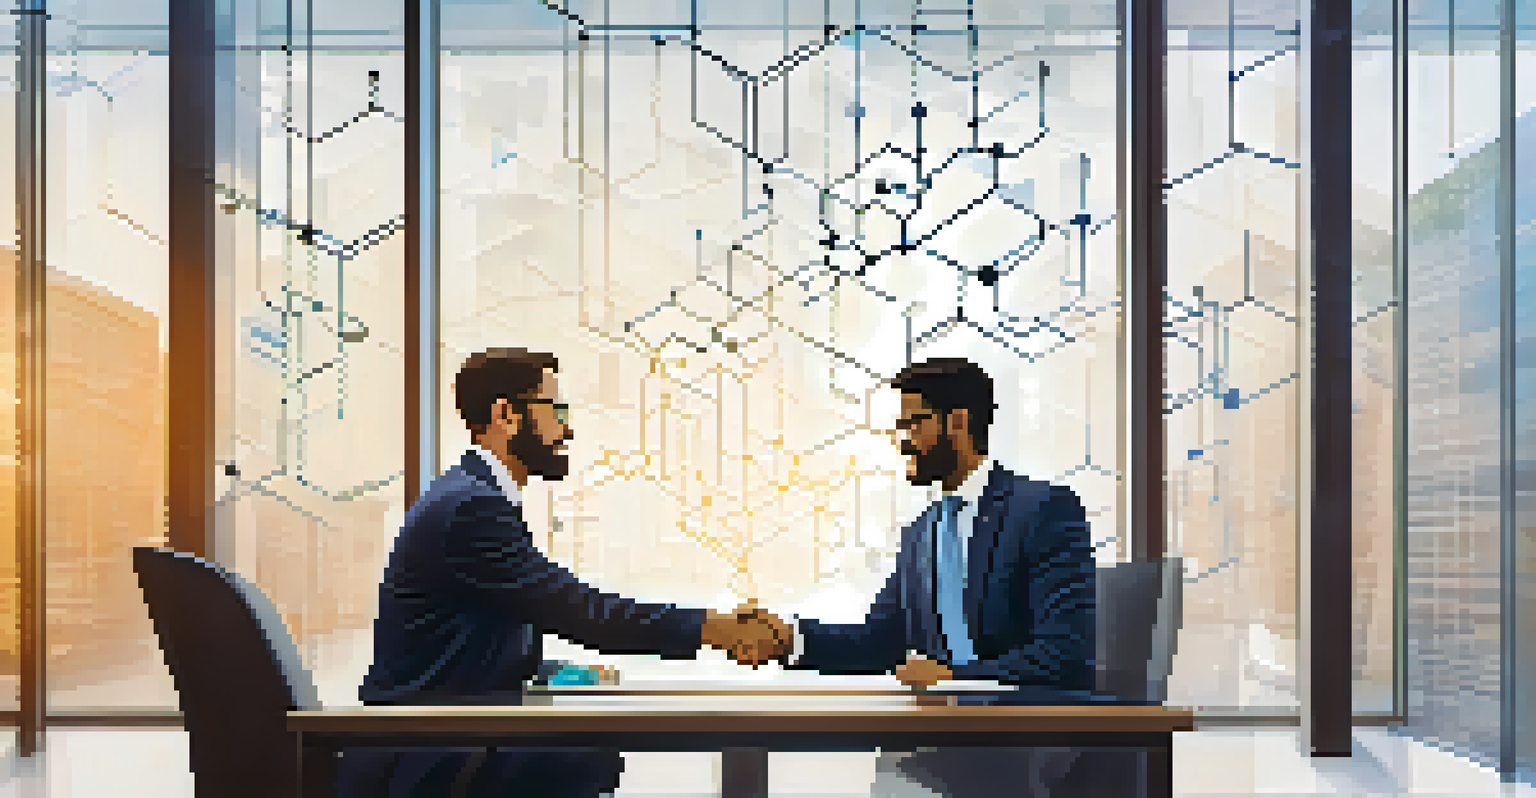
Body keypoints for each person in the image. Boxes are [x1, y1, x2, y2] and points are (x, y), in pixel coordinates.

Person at [335, 348, 789, 798]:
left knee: (585, 746)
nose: (567, 429)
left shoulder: (471, 496)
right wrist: (717, 629)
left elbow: (468, 644)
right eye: (556, 409)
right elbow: (582, 611)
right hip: (423, 757)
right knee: (582, 752)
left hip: (437, 736)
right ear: (505, 415)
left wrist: (558, 670)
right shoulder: (470, 509)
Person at [749, 357, 1121, 797]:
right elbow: (878, 640)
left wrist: (954, 677)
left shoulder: (1043, 510)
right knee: (901, 763)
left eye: (913, 425)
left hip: (1028, 729)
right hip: (947, 735)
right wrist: (789, 638)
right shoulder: (922, 533)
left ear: (957, 422)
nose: (903, 442)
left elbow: (1064, 655)